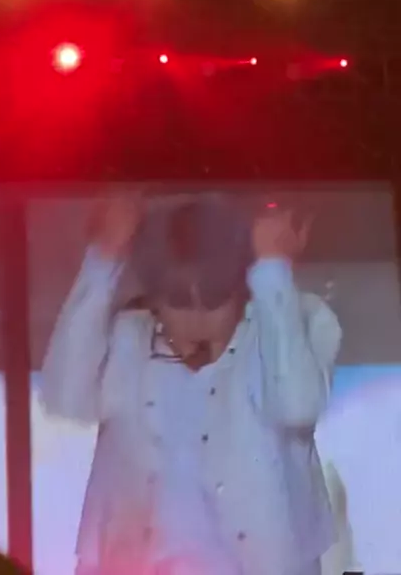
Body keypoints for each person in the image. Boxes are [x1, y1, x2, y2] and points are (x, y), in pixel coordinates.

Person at [40, 195, 342, 575]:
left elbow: (298, 405)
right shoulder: (130, 339)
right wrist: (103, 261)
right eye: (179, 301)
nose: (197, 318)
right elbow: (64, 397)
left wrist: (272, 272)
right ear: (155, 299)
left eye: (214, 300)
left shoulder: (291, 322)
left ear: (240, 291)